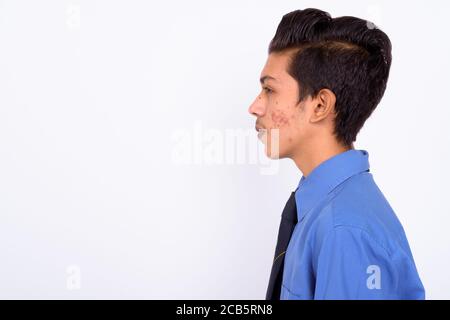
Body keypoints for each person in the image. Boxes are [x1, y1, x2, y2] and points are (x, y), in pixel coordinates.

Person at [248, 8, 425, 299]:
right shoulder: (323, 210)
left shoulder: (344, 230)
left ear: (320, 105)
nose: (255, 107)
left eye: (269, 90)